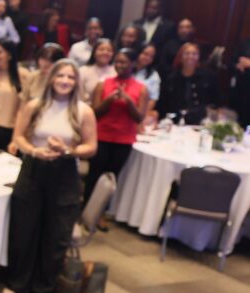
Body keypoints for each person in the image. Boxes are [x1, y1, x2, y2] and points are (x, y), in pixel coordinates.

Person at [5, 59, 98, 293]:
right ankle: (17, 282)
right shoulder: (34, 105)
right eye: (60, 76)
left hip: (65, 173)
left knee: (56, 233)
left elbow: (91, 147)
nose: (65, 81)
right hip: (33, 169)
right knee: (23, 229)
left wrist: (67, 150)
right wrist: (34, 151)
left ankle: (44, 286)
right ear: (51, 78)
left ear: (76, 82)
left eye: (70, 77)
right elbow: (18, 137)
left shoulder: (83, 111)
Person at [86, 48, 148, 201]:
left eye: (124, 62)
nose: (119, 65)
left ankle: (102, 209)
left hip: (123, 140)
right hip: (102, 136)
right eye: (117, 62)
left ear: (133, 64)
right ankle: (85, 206)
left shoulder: (141, 88)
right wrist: (108, 101)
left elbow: (139, 118)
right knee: (94, 174)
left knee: (111, 177)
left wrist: (128, 101)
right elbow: (94, 113)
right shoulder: (103, 84)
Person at [159, 42, 217, 125]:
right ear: (180, 56)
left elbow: (215, 101)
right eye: (187, 53)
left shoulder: (208, 77)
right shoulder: (171, 78)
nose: (190, 56)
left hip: (200, 121)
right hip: (174, 121)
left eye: (194, 54)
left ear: (198, 57)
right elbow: (163, 102)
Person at [133, 44, 161, 116]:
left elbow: (153, 99)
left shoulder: (154, 75)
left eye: (151, 57)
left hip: (140, 113)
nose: (147, 58)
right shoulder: (127, 68)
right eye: (145, 54)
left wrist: (141, 115)